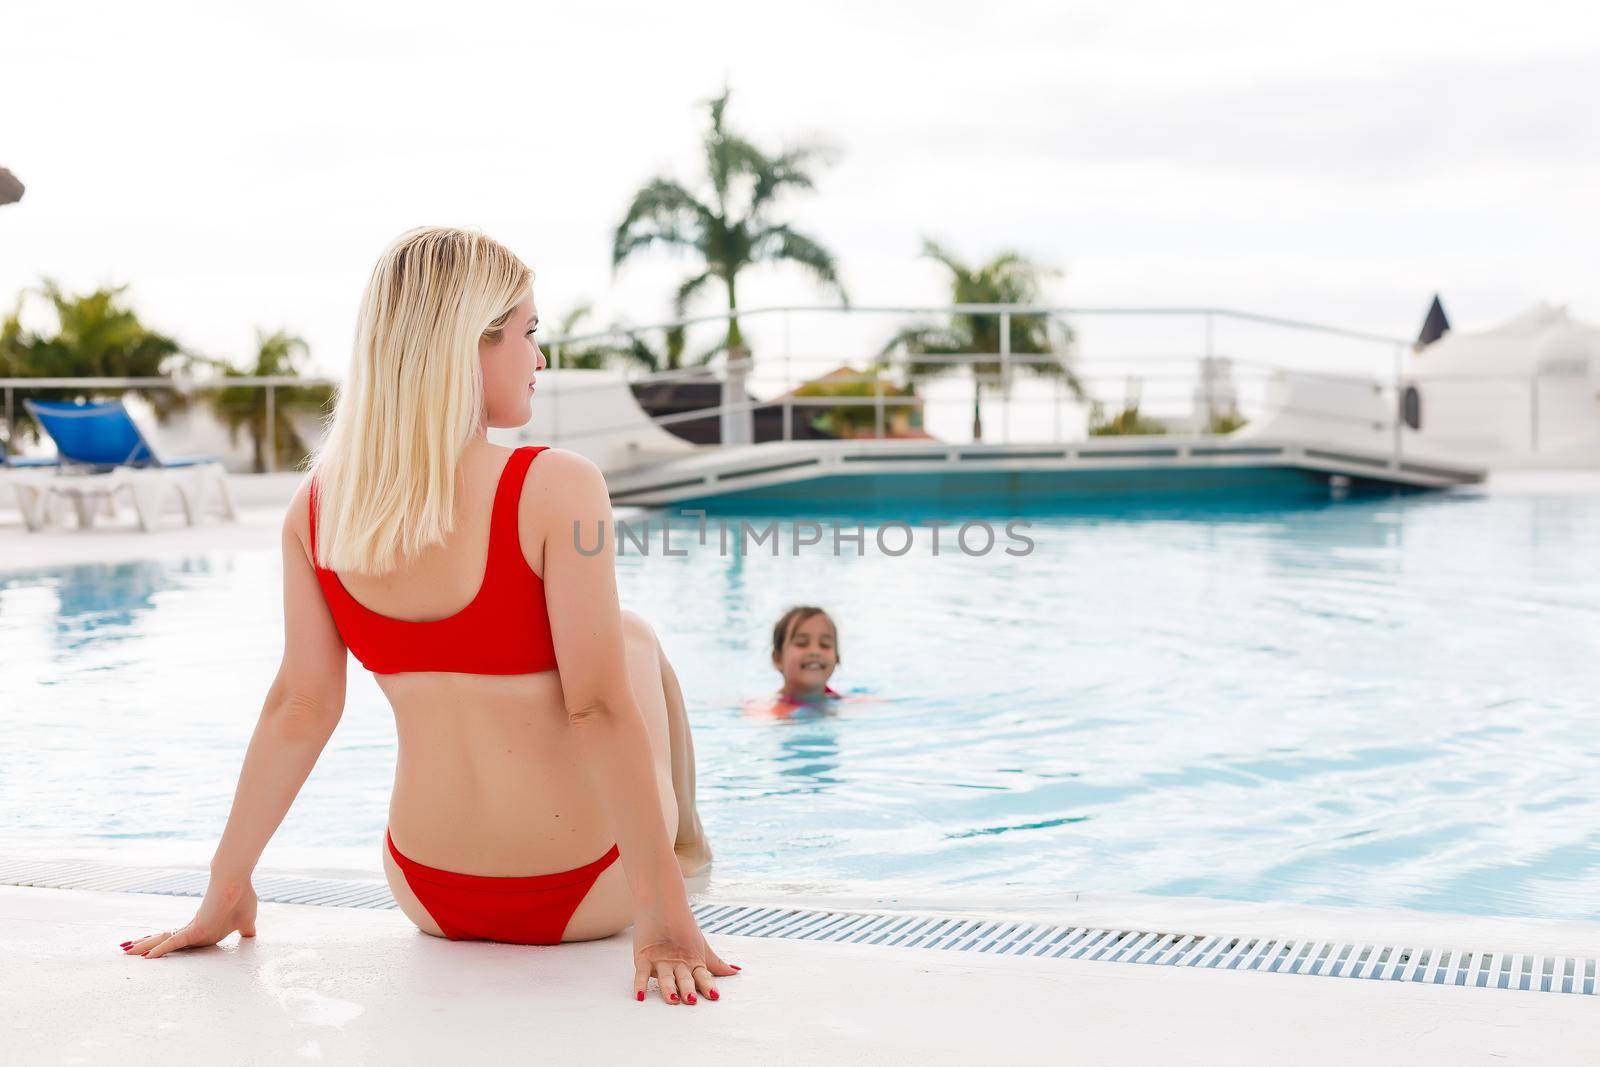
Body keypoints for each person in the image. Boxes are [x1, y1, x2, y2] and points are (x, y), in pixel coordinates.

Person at [117, 226, 733, 1006]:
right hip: (585, 889)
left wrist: (226, 886)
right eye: (529, 333)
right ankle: (682, 863)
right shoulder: (556, 484)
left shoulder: (316, 512)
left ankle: (678, 857)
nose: (540, 360)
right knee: (633, 640)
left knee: (615, 644)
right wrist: (664, 920)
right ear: (470, 345)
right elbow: (598, 707)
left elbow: (300, 708)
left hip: (428, 889)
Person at [748, 605, 842, 718]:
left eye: (825, 645)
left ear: (836, 658)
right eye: (801, 643)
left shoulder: (845, 703)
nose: (815, 651)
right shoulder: (768, 713)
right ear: (778, 658)